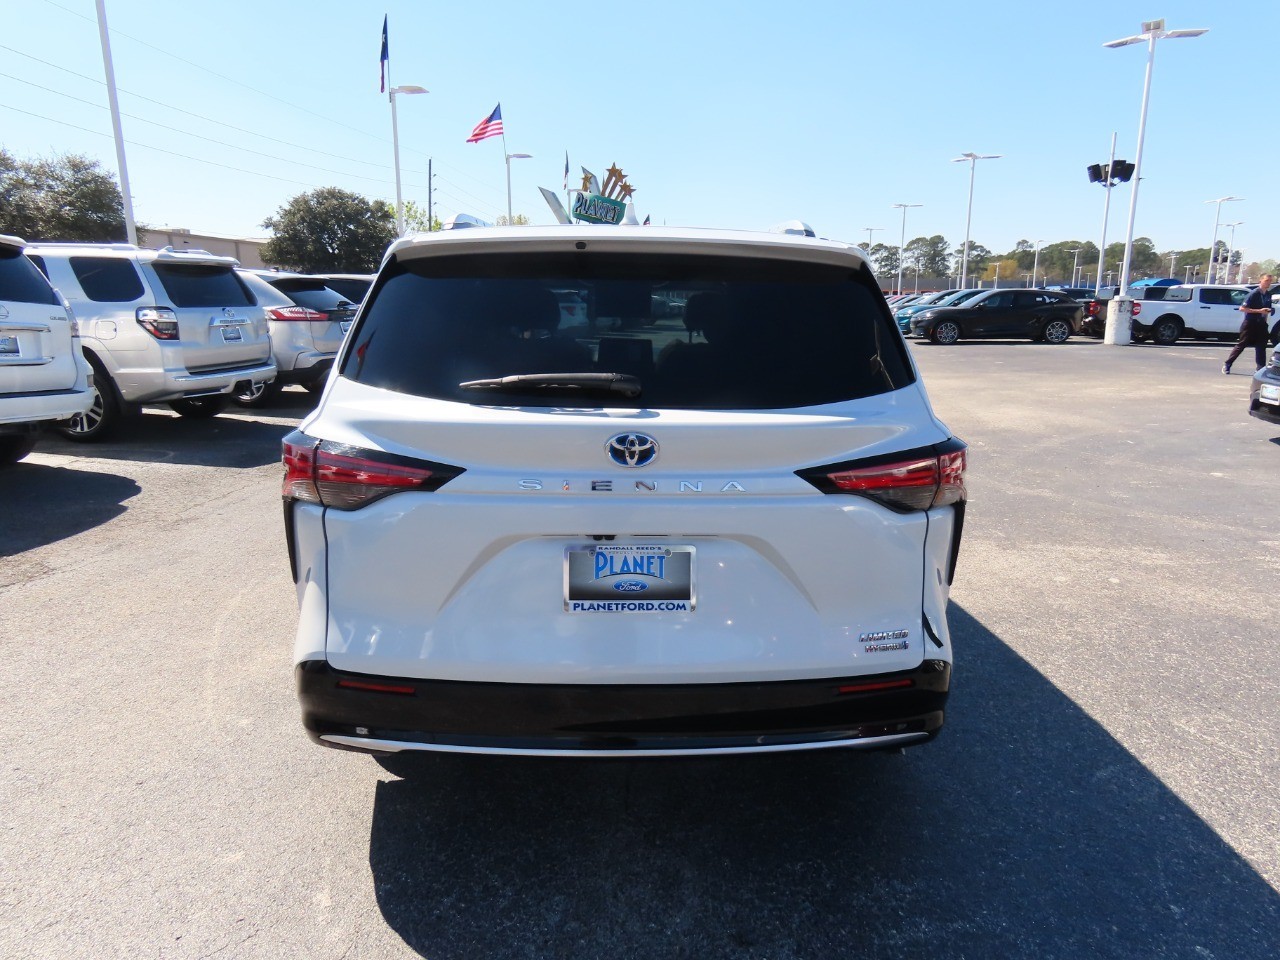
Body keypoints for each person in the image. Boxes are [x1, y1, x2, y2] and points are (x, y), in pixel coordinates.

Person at [1223, 273, 1274, 374]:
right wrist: (1259, 311)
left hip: (1261, 324)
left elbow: (1266, 310)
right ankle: (1228, 364)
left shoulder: (1268, 295)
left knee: (1261, 346)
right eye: (1266, 281)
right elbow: (1242, 308)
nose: (1268, 283)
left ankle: (1260, 369)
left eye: (1270, 281)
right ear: (1261, 281)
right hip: (1250, 323)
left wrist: (1266, 316)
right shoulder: (1254, 293)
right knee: (1242, 344)